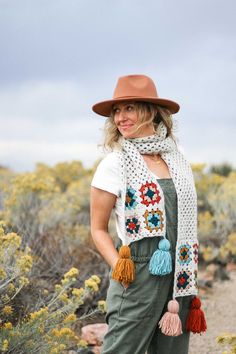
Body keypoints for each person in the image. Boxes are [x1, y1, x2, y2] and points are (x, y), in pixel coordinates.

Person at [90, 74, 206, 354]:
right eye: (116, 111)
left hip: (180, 275)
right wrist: (120, 268)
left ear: (151, 111)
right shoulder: (114, 163)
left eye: (129, 108)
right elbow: (98, 228)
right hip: (137, 273)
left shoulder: (177, 159)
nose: (120, 118)